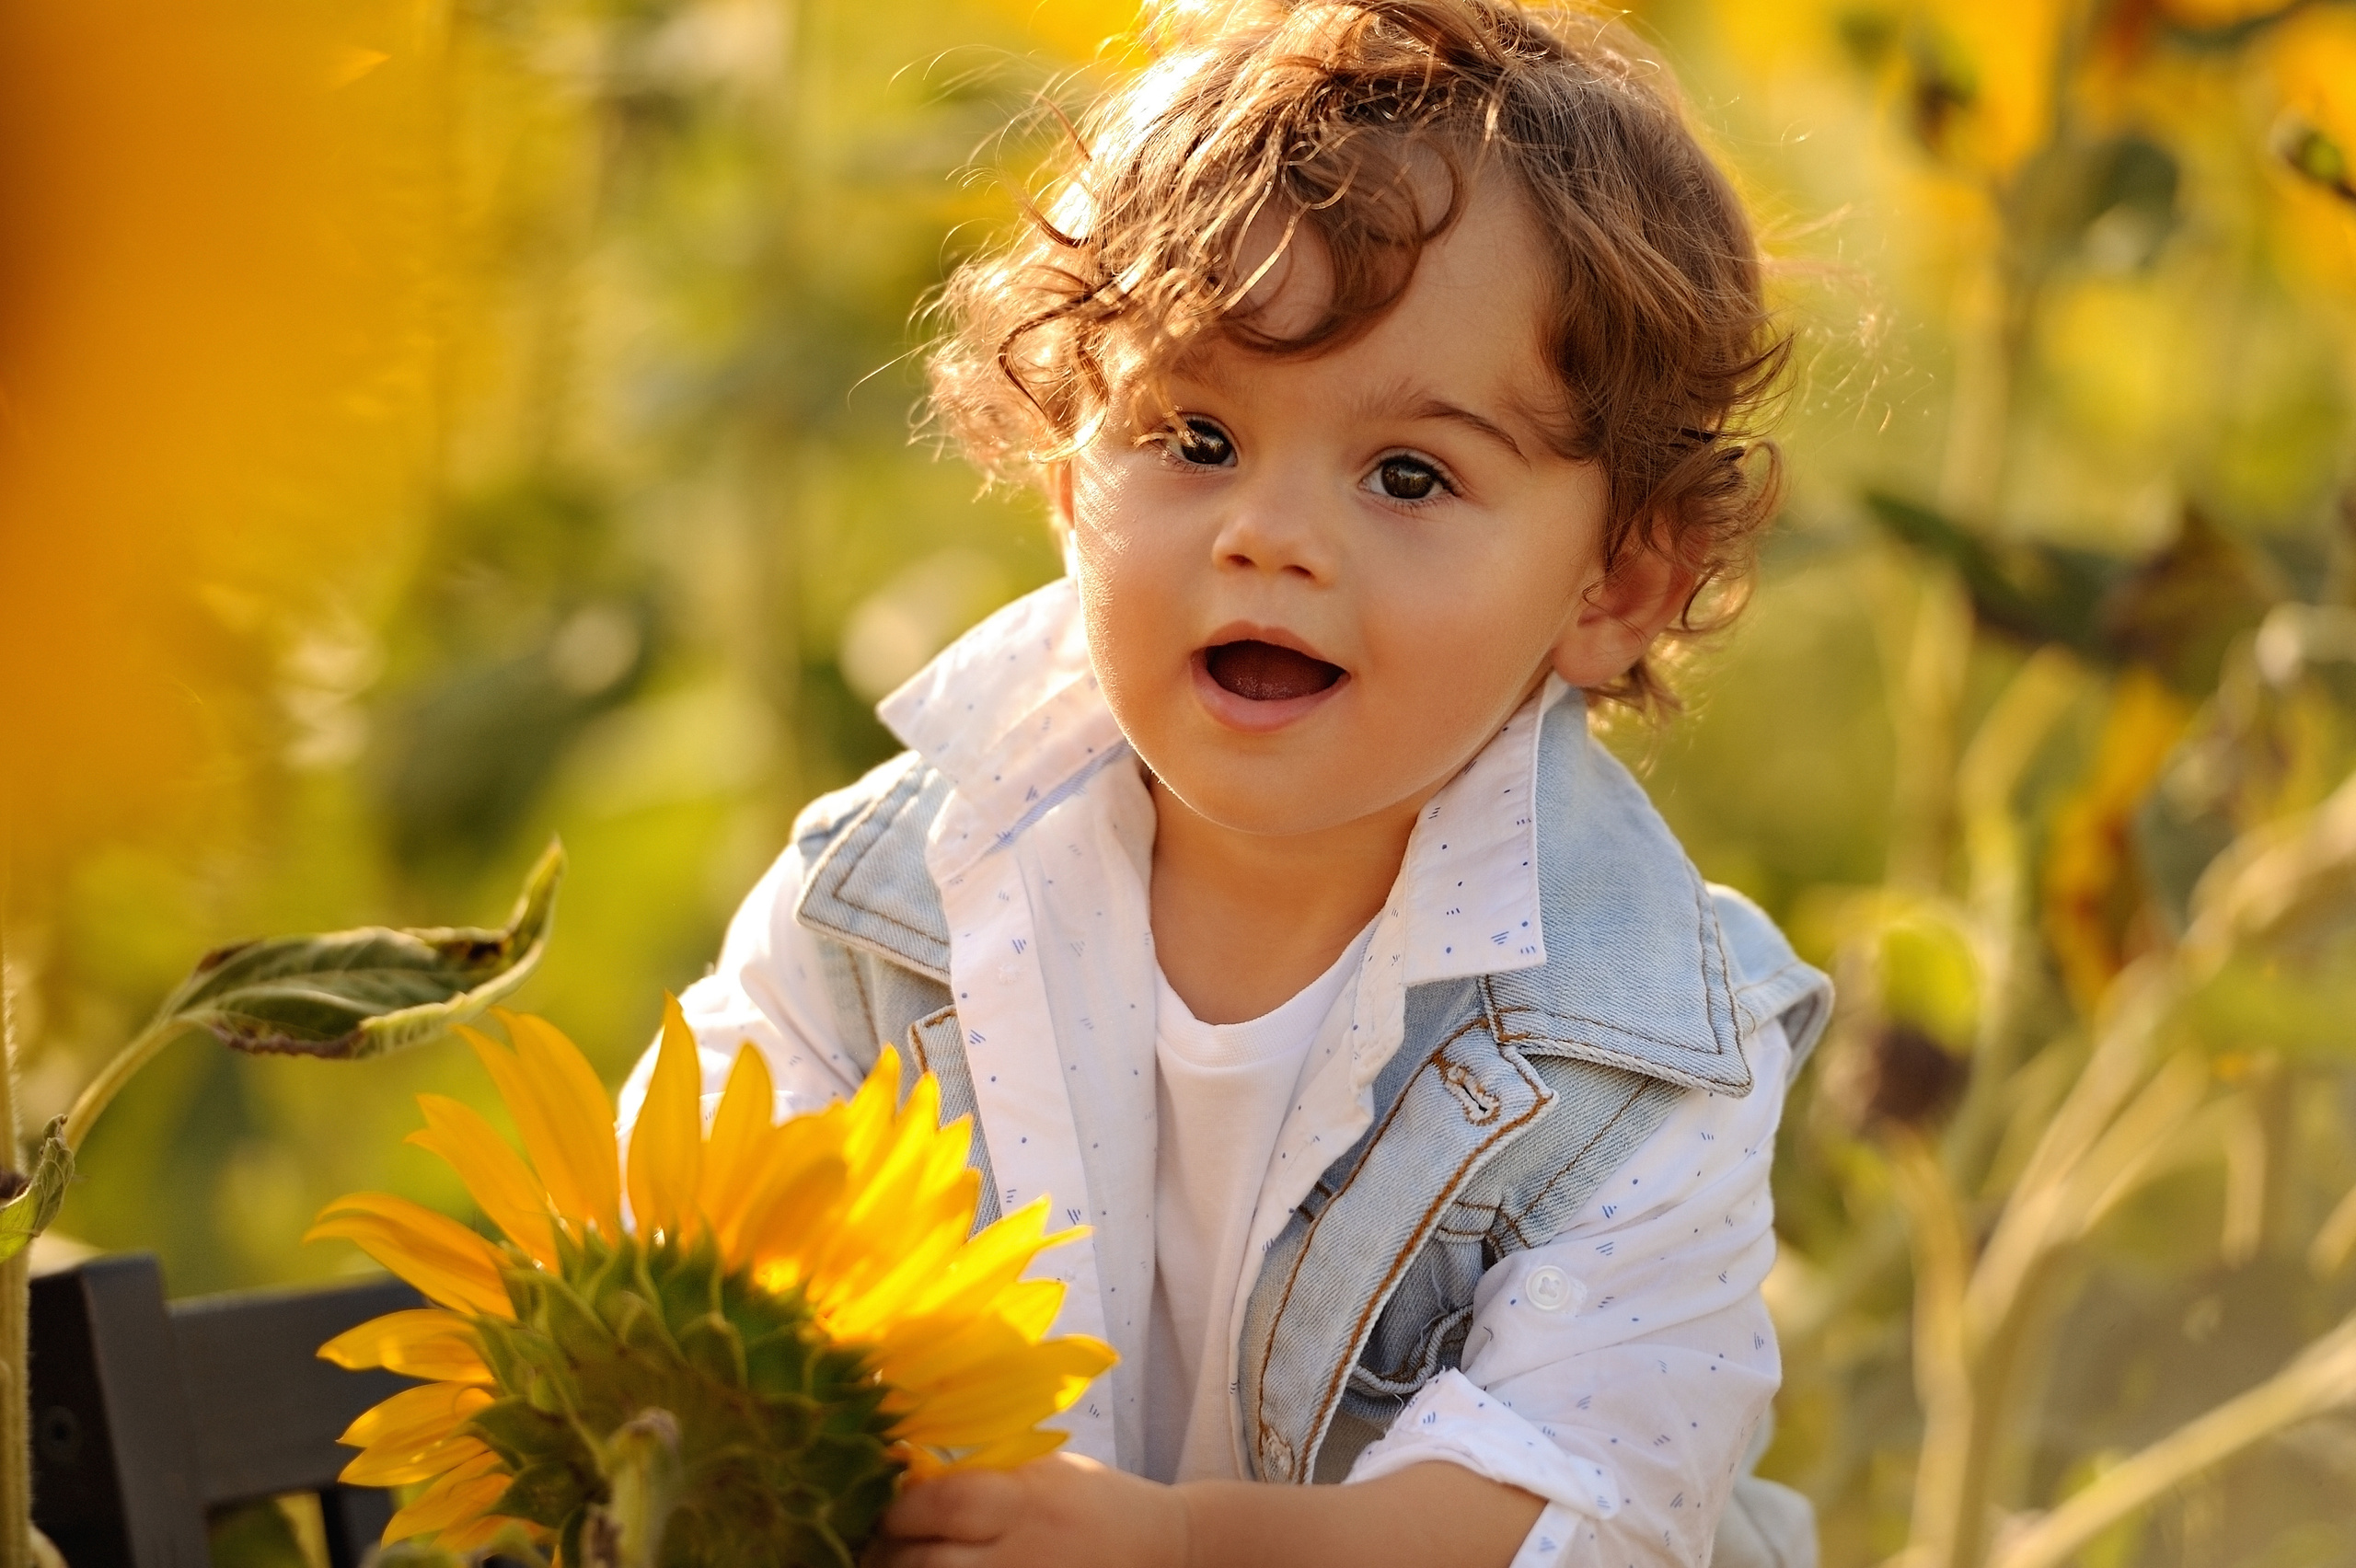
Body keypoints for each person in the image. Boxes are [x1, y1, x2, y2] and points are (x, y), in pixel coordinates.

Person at [620, 4, 1832, 1563]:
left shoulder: (1647, 1050)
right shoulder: (879, 912)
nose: (1268, 534)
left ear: (1618, 581)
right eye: (1192, 436)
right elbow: (702, 1241)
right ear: (1067, 480)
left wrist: (1186, 1547)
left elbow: (1572, 1507)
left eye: (1410, 475)